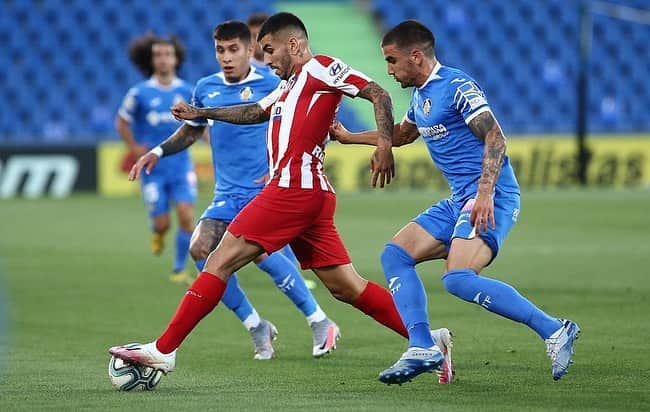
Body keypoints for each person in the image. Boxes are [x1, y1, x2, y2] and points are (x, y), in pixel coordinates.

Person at [109, 12, 454, 384]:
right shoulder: (287, 85)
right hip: (309, 194)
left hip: (294, 190)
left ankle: (163, 350)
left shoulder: (321, 67)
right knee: (346, 287)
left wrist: (385, 145)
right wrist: (203, 113)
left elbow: (378, 93)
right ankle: (428, 341)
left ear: (294, 44)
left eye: (270, 50)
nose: (266, 59)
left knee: (218, 260)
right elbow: (254, 112)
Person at [329, 19, 580, 384]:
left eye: (392, 60)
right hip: (461, 198)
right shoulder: (421, 96)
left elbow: (496, 137)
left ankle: (555, 329)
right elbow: (401, 134)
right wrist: (350, 138)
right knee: (395, 255)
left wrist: (483, 195)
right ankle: (422, 345)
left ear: (416, 56)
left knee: (458, 279)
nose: (389, 70)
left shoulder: (457, 86)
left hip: (491, 195)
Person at [115, 34, 196, 285]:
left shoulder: (187, 91)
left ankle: (178, 269)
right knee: (162, 223)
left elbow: (199, 124)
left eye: (168, 54)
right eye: (158, 55)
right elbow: (121, 122)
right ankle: (158, 233)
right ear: (151, 60)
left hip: (181, 166)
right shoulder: (139, 93)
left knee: (186, 216)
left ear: (176, 59)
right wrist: (134, 147)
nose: (163, 59)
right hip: (153, 169)